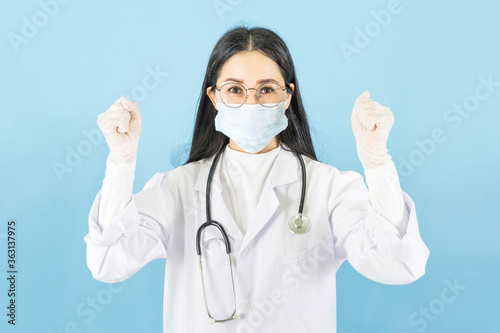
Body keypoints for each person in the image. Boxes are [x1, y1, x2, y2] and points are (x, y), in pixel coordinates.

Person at [84, 26, 430, 333]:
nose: (251, 101)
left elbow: (399, 264)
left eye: (266, 90)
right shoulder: (176, 188)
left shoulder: (330, 188)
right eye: (235, 90)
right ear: (214, 98)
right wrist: (121, 160)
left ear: (288, 96)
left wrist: (377, 161)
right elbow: (108, 262)